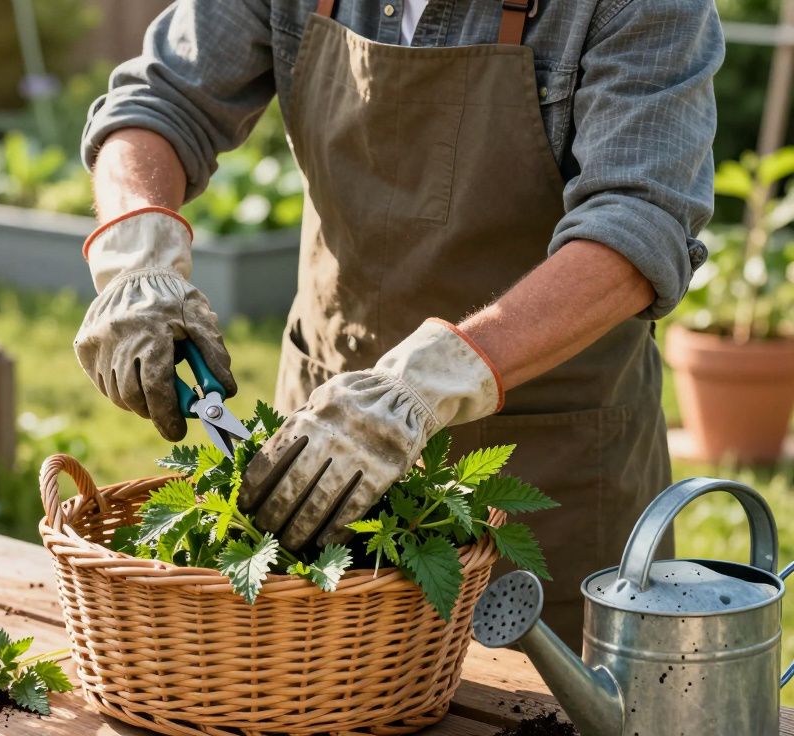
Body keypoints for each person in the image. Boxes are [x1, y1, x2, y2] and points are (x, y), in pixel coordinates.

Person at [72, 0, 722, 645]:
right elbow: (157, 103)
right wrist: (137, 256)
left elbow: (636, 227)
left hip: (551, 461)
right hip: (322, 446)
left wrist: (429, 380)